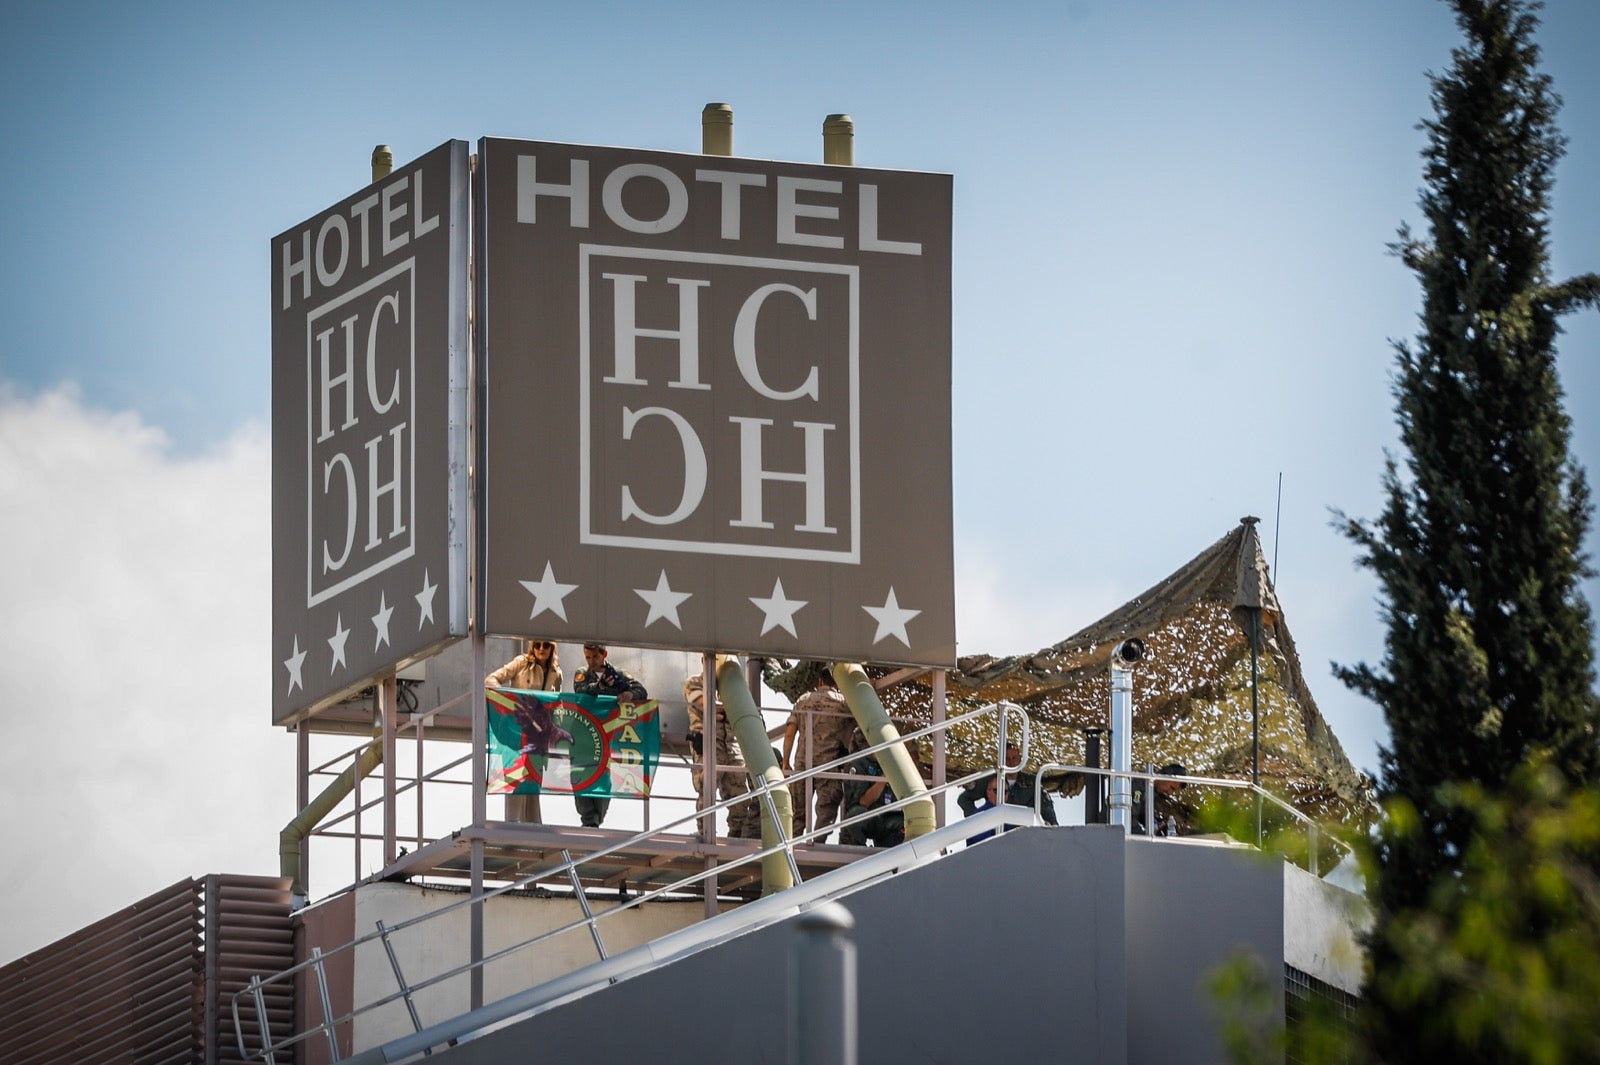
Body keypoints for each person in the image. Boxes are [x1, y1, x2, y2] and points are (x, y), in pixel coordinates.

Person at [485, 639, 563, 823]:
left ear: (552, 648)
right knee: (515, 775)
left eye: (546, 645)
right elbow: (491, 679)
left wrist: (555, 727)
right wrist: (510, 703)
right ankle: (513, 823)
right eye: (537, 645)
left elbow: (557, 703)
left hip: (539, 734)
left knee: (534, 779)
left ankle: (533, 825)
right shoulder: (521, 663)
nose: (541, 649)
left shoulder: (556, 672)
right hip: (516, 731)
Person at [570, 643, 647, 828]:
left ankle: (598, 816)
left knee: (603, 775)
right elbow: (581, 691)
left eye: (595, 657)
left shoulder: (617, 674)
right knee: (580, 773)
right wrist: (599, 686)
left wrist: (629, 693)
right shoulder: (582, 673)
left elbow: (641, 691)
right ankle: (588, 819)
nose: (591, 661)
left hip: (606, 733)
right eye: (588, 657)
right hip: (583, 732)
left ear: (604, 654)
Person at [684, 673, 761, 840]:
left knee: (741, 794)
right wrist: (728, 709)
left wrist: (722, 711)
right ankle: (705, 833)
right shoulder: (695, 682)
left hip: (732, 744)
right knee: (707, 788)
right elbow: (704, 705)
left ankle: (736, 835)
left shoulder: (735, 686)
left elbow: (743, 711)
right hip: (708, 742)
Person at [780, 670, 854, 840]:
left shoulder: (804, 700)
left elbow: (790, 731)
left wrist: (785, 762)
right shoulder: (843, 703)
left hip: (802, 763)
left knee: (797, 811)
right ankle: (817, 842)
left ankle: (791, 846)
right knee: (826, 810)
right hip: (827, 763)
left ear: (820, 681)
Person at [956, 743, 1060, 826]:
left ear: (1020, 759)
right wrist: (977, 822)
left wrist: (1052, 824)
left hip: (1020, 833)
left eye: (1014, 758)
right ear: (1001, 760)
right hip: (995, 832)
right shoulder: (990, 780)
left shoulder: (1032, 782)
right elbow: (964, 800)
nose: (1011, 762)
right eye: (1007, 758)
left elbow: (1045, 804)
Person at [839, 748, 904, 847]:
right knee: (855, 816)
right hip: (873, 817)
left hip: (893, 819)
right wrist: (884, 778)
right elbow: (863, 802)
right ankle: (860, 850)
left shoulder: (903, 762)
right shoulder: (861, 763)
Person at [1132, 763, 1190, 837]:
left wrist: (1158, 823)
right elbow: (1131, 818)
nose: (1169, 792)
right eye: (1171, 787)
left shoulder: (1153, 789)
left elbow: (1142, 814)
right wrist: (1146, 835)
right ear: (1164, 775)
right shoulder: (1139, 785)